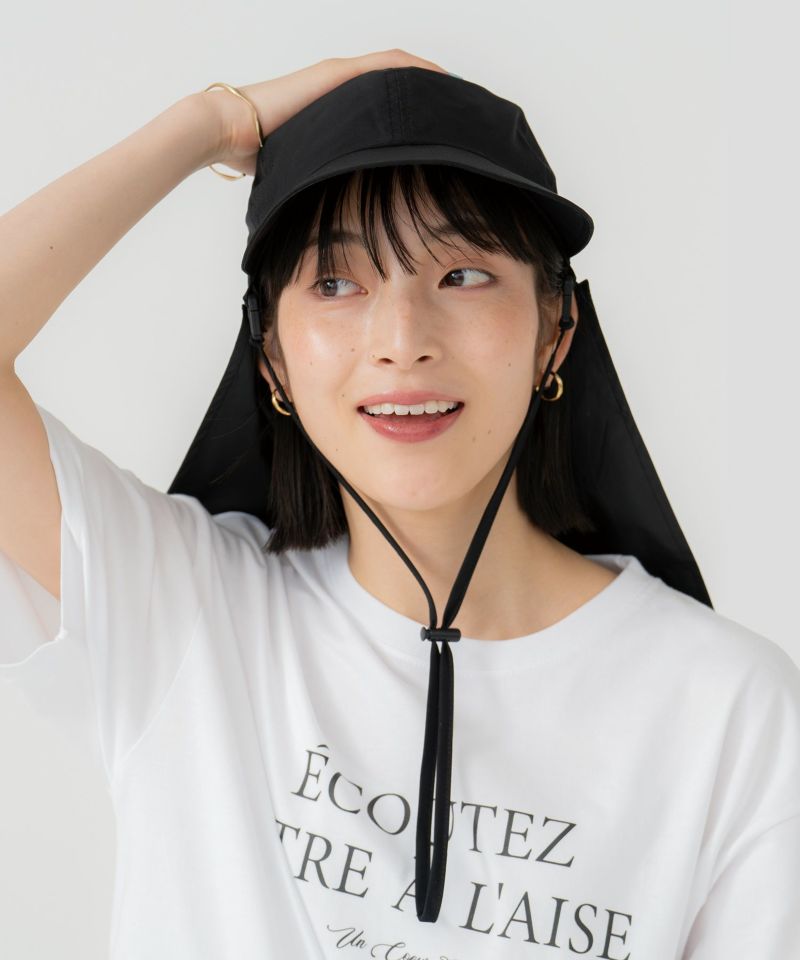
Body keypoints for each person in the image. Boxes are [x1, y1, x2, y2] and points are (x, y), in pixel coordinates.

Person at [1, 49, 799, 958]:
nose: (402, 341)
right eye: (336, 283)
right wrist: (210, 124)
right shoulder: (185, 614)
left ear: (557, 330)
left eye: (462, 275)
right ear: (271, 359)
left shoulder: (728, 708)